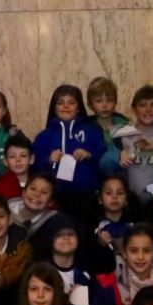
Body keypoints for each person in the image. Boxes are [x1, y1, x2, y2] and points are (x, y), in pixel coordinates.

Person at [32, 84, 109, 219]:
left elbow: (105, 156)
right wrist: (49, 159)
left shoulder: (92, 131)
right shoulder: (43, 136)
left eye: (71, 103)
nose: (66, 106)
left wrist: (89, 154)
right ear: (54, 108)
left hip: (88, 193)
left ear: (79, 108)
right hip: (55, 196)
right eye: (61, 103)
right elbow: (34, 164)